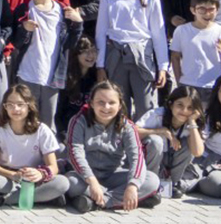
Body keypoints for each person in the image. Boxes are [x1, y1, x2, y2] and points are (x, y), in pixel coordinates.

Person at [66, 81, 159, 214]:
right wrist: (92, 181)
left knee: (151, 180)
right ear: (91, 103)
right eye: (100, 102)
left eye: (112, 103)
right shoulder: (78, 121)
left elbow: (136, 157)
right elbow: (75, 153)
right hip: (84, 177)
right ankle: (123, 201)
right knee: (70, 182)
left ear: (120, 105)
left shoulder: (127, 126)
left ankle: (97, 202)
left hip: (112, 175)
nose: (106, 107)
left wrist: (132, 186)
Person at [94, 0, 168, 118]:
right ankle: (121, 142)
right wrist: (100, 65)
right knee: (118, 107)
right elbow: (101, 33)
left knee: (146, 108)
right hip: (116, 56)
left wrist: (162, 67)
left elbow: (158, 35)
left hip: (142, 56)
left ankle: (149, 142)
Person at [12, 0, 78, 129]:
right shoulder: (24, 10)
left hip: (52, 76)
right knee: (25, 118)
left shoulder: (62, 11)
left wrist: (78, 24)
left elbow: (70, 42)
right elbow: (16, 42)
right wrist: (24, 30)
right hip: (27, 73)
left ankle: (48, 154)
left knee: (48, 122)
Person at [0, 83, 71, 208]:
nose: (16, 109)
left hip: (34, 179)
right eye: (10, 105)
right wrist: (13, 175)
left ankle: (7, 199)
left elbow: (54, 167)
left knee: (62, 183)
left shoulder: (42, 129)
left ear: (29, 106)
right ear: (4, 107)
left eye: (20, 104)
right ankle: (41, 198)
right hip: (8, 178)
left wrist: (40, 174)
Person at [136, 87, 206, 197]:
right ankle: (150, 183)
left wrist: (192, 122)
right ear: (170, 104)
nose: (184, 111)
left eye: (190, 108)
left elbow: (198, 152)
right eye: (180, 105)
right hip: (152, 162)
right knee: (156, 141)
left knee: (189, 144)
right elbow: (133, 132)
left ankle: (173, 184)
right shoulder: (157, 114)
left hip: (171, 162)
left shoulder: (191, 123)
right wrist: (161, 131)